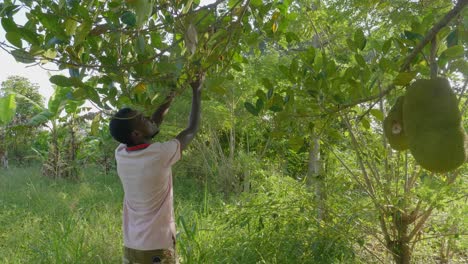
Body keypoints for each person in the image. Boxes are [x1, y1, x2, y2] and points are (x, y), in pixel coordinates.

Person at [109, 74, 204, 264]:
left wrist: (173, 93)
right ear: (136, 133)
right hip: (157, 247)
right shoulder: (159, 154)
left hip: (132, 246)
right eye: (144, 119)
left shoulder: (121, 153)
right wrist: (197, 89)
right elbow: (191, 130)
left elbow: (154, 124)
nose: (150, 119)